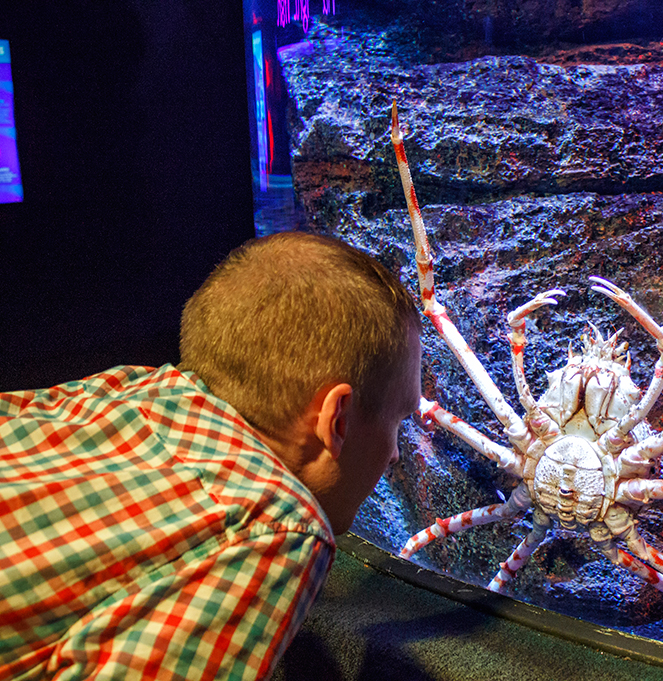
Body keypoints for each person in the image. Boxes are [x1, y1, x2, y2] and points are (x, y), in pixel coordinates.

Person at [0, 232, 422, 680]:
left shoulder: (120, 389)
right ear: (336, 421)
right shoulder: (276, 527)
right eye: (399, 420)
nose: (395, 454)